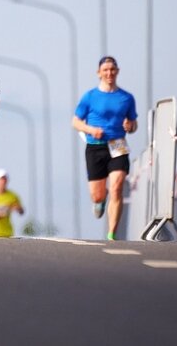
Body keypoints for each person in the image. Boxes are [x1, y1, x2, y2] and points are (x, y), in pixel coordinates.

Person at [72, 55, 137, 241]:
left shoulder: (126, 98)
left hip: (118, 145)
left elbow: (133, 124)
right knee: (97, 195)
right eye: (105, 70)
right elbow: (75, 122)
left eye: (112, 70)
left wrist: (130, 126)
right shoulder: (90, 96)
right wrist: (91, 129)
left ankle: (112, 234)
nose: (109, 73)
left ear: (117, 71)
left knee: (117, 188)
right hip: (95, 147)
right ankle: (99, 201)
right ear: (99, 73)